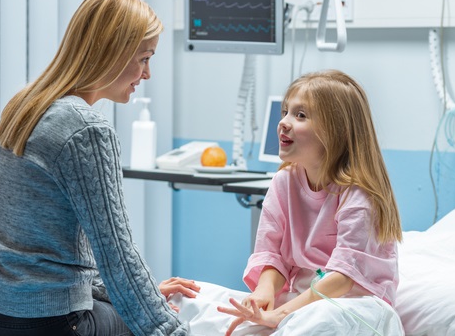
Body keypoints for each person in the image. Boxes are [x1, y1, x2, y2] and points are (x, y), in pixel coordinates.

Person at [0, 0, 199, 335]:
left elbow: (38, 240)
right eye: (144, 58)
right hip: (45, 321)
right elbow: (116, 253)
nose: (146, 74)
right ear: (113, 53)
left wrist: (134, 296)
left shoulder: (24, 104)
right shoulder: (86, 129)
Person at [170, 70, 405, 335]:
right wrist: (264, 291)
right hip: (301, 301)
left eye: (300, 115)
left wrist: (281, 314)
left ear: (335, 130)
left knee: (318, 322)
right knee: (187, 300)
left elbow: (342, 279)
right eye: (285, 112)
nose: (284, 122)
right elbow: (273, 255)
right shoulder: (284, 182)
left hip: (354, 308)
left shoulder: (359, 196)